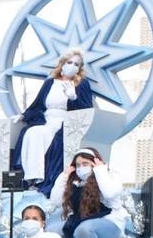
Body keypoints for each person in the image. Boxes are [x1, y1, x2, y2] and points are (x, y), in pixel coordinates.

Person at [13, 50, 94, 195]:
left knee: (42, 134)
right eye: (70, 62)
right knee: (32, 132)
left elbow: (86, 111)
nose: (73, 66)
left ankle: (41, 179)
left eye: (77, 64)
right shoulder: (50, 83)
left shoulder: (81, 84)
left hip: (65, 124)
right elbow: (38, 105)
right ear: (62, 65)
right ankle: (32, 177)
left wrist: (73, 98)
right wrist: (23, 116)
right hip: (46, 121)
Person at [50, 148, 126, 238]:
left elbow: (109, 193)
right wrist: (64, 175)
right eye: (78, 165)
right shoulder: (75, 183)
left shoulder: (111, 175)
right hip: (82, 222)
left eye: (85, 164)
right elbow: (55, 200)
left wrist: (100, 170)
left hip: (110, 224)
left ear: (94, 163)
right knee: (52, 232)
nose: (81, 168)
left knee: (84, 229)